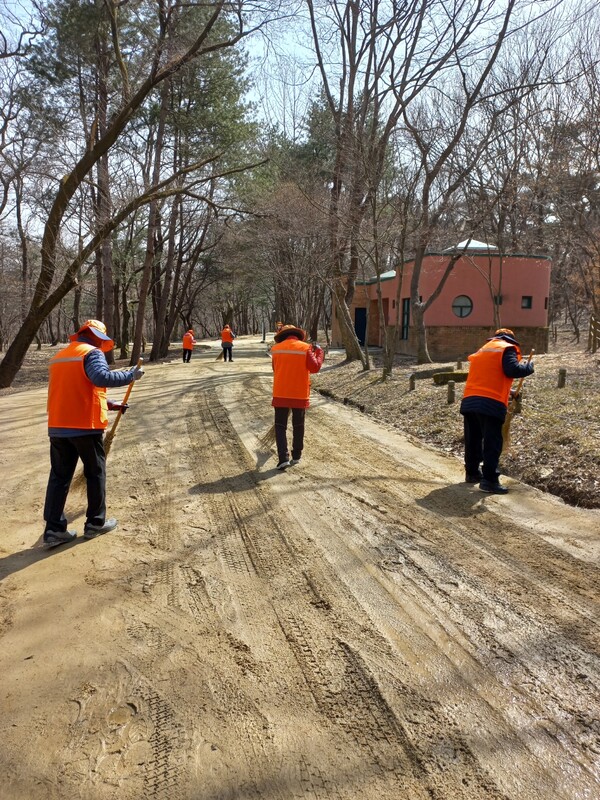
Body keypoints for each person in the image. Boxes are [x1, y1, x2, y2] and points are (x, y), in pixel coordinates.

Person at [42, 319, 145, 546]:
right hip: (85, 427)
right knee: (95, 473)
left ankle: (53, 530)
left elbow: (76, 391)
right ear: (98, 337)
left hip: (59, 426)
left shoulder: (60, 356)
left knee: (59, 478)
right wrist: (131, 374)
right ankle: (95, 524)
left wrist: (109, 404)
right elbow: (101, 378)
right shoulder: (91, 353)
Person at [460, 327, 534, 494]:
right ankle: (489, 480)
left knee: (473, 439)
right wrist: (529, 367)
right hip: (490, 404)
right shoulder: (507, 349)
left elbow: (489, 377)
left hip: (470, 401)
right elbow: (513, 370)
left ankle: (472, 473)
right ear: (510, 340)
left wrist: (510, 391)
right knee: (492, 443)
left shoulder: (484, 350)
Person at [270, 324, 324, 470]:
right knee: (298, 425)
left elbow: (275, 369)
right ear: (298, 335)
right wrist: (319, 352)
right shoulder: (306, 348)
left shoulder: (276, 349)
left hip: (280, 392)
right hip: (299, 393)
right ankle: (297, 455)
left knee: (280, 426)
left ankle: (283, 458)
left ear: (282, 336)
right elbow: (315, 367)